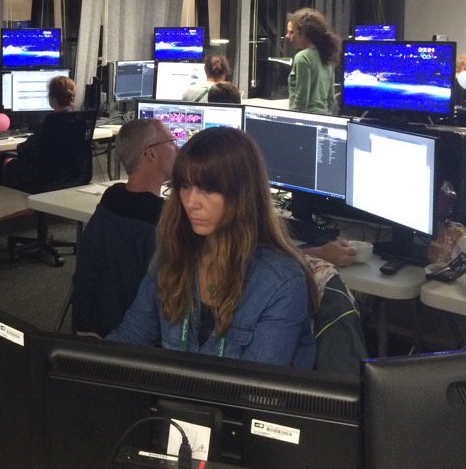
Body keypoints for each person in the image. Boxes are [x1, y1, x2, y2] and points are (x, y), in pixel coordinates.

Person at [107, 127, 318, 368]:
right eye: (185, 186)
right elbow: (131, 339)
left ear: (241, 195)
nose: (191, 202)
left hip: (229, 394)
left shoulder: (280, 283)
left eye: (207, 189)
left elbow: (252, 385)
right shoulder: (174, 255)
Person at [71, 118, 177, 337]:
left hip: (92, 326)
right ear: (151, 153)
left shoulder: (111, 197)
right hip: (137, 336)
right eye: (171, 142)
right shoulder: (164, 218)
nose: (177, 148)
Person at [0, 76, 83, 189]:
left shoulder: (50, 122)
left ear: (52, 99)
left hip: (43, 178)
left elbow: (25, 149)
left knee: (6, 161)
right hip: (69, 177)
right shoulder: (80, 122)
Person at [285, 7, 339, 115]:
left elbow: (301, 102)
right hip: (324, 117)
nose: (287, 36)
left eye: (291, 32)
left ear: (304, 33)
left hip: (306, 119)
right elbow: (330, 99)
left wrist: (292, 120)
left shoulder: (302, 57)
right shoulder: (327, 55)